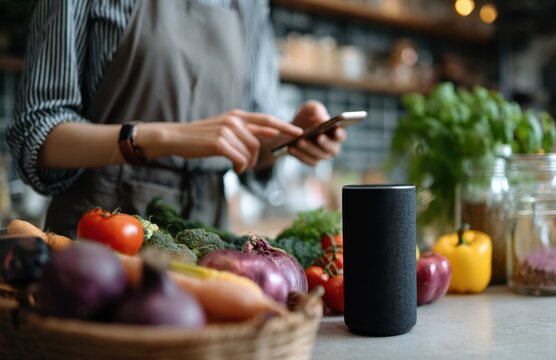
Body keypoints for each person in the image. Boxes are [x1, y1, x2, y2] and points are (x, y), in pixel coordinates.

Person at [6, 0, 346, 238]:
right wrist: (165, 136)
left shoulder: (250, 3)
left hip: (208, 238)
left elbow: (250, 148)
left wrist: (289, 138)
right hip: (100, 232)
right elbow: (37, 134)